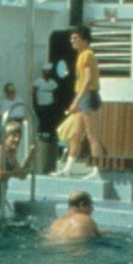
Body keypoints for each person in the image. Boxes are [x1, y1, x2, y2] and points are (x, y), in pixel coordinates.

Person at [54, 25, 104, 180]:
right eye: (72, 38)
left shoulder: (87, 54)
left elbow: (88, 80)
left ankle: (97, 170)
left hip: (88, 96)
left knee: (92, 135)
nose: (72, 41)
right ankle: (67, 168)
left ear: (84, 40)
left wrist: (77, 101)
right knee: (76, 135)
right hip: (83, 97)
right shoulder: (81, 55)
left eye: (76, 38)